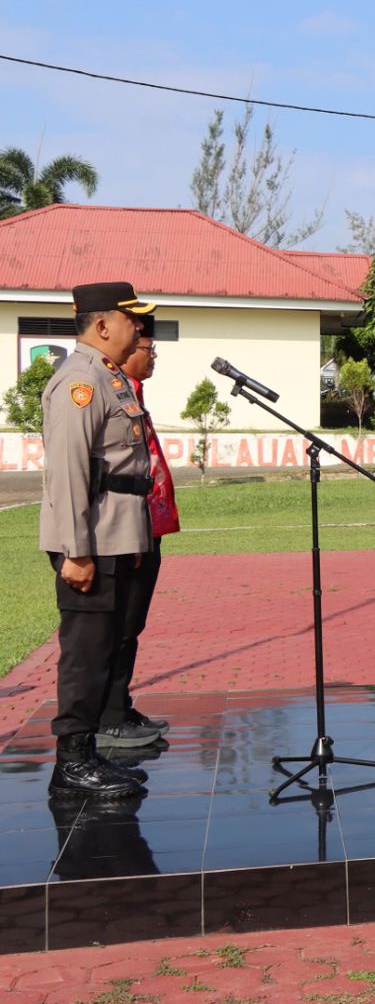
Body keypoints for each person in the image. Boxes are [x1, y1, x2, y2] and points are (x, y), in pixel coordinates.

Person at [39, 281, 158, 799]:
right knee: (85, 654)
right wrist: (76, 551)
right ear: (104, 324)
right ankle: (71, 764)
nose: (139, 328)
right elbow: (68, 472)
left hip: (117, 534)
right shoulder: (80, 381)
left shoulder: (107, 376)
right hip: (92, 541)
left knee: (106, 649)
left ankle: (88, 754)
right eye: (132, 319)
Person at [101, 317, 180, 744]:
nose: (153, 357)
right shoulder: (110, 393)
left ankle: (120, 704)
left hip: (147, 525)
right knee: (119, 623)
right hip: (126, 525)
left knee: (133, 623)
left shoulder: (133, 393)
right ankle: (108, 715)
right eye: (148, 348)